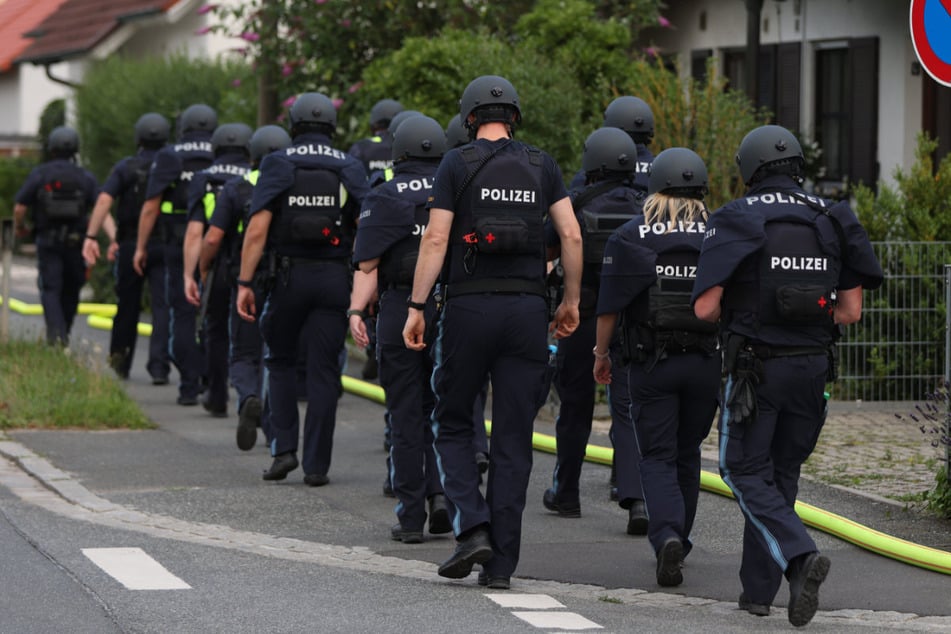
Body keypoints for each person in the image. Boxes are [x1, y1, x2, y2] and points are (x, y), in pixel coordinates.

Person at [692, 125, 883, 626]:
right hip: (814, 369)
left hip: (756, 371)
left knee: (740, 470)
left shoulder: (736, 217)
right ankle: (758, 593)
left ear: (749, 169)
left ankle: (799, 557)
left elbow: (705, 307)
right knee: (780, 476)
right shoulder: (832, 216)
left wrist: (743, 308)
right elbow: (851, 311)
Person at [402, 75, 582, 589]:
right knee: (513, 440)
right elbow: (569, 233)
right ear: (515, 117)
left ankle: (473, 526)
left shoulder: (456, 163)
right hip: (527, 312)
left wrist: (416, 306)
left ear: (469, 118)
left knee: (454, 421)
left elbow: (436, 237)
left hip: (467, 311)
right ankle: (501, 567)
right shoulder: (541, 164)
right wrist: (569, 300)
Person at [593, 147, 720, 587]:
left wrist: (601, 354)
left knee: (658, 456)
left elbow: (609, 308)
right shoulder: (720, 233)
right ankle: (679, 540)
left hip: (651, 365)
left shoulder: (632, 234)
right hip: (706, 363)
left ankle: (665, 535)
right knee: (688, 454)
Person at [236, 92, 370, 486]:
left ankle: (283, 452)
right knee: (325, 372)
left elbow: (258, 228)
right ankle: (316, 467)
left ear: (293, 125)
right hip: (333, 280)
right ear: (331, 126)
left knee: (279, 362)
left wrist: (245, 282)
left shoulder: (279, 162)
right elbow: (369, 225)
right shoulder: (349, 165)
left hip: (287, 280)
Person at [350, 114, 452, 543]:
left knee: (406, 414)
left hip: (398, 309)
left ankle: (411, 517)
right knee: (448, 413)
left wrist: (356, 311)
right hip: (451, 309)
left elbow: (368, 265)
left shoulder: (383, 195)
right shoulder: (456, 190)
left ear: (398, 152)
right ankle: (444, 496)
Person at [542, 126, 649, 534]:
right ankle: (636, 498)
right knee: (630, 408)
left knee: (574, 408)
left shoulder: (574, 204)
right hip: (635, 322)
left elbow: (549, 251)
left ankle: (566, 493)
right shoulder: (648, 206)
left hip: (582, 317)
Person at [200, 124, 291, 450]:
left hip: (244, 279)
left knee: (244, 352)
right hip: (283, 278)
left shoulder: (236, 188)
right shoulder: (291, 186)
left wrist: (203, 268)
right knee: (277, 357)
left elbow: (212, 238)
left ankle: (248, 396)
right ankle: (273, 427)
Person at [133, 104, 217, 406]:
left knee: (181, 313)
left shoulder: (170, 155)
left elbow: (151, 207)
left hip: (178, 246)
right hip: (217, 245)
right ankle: (213, 378)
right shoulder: (222, 152)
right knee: (214, 313)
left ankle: (189, 385)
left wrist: (141, 247)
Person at [84, 113, 172, 383]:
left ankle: (120, 362)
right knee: (162, 306)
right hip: (166, 244)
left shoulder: (126, 167)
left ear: (138, 137)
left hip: (131, 242)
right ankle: (159, 368)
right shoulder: (173, 165)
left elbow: (103, 201)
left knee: (127, 305)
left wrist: (91, 236)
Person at [183, 122, 253, 418]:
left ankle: (217, 395)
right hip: (248, 264)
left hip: (217, 264)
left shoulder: (205, 178)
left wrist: (193, 273)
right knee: (247, 332)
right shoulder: (254, 177)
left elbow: (197, 232)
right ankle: (251, 393)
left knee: (214, 330)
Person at [13, 126, 98, 346]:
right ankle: (64, 333)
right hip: (76, 243)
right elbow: (100, 207)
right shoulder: (84, 176)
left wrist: (20, 228)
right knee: (72, 289)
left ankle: (56, 336)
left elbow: (20, 207)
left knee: (51, 289)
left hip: (48, 241)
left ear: (51, 148)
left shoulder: (40, 174)